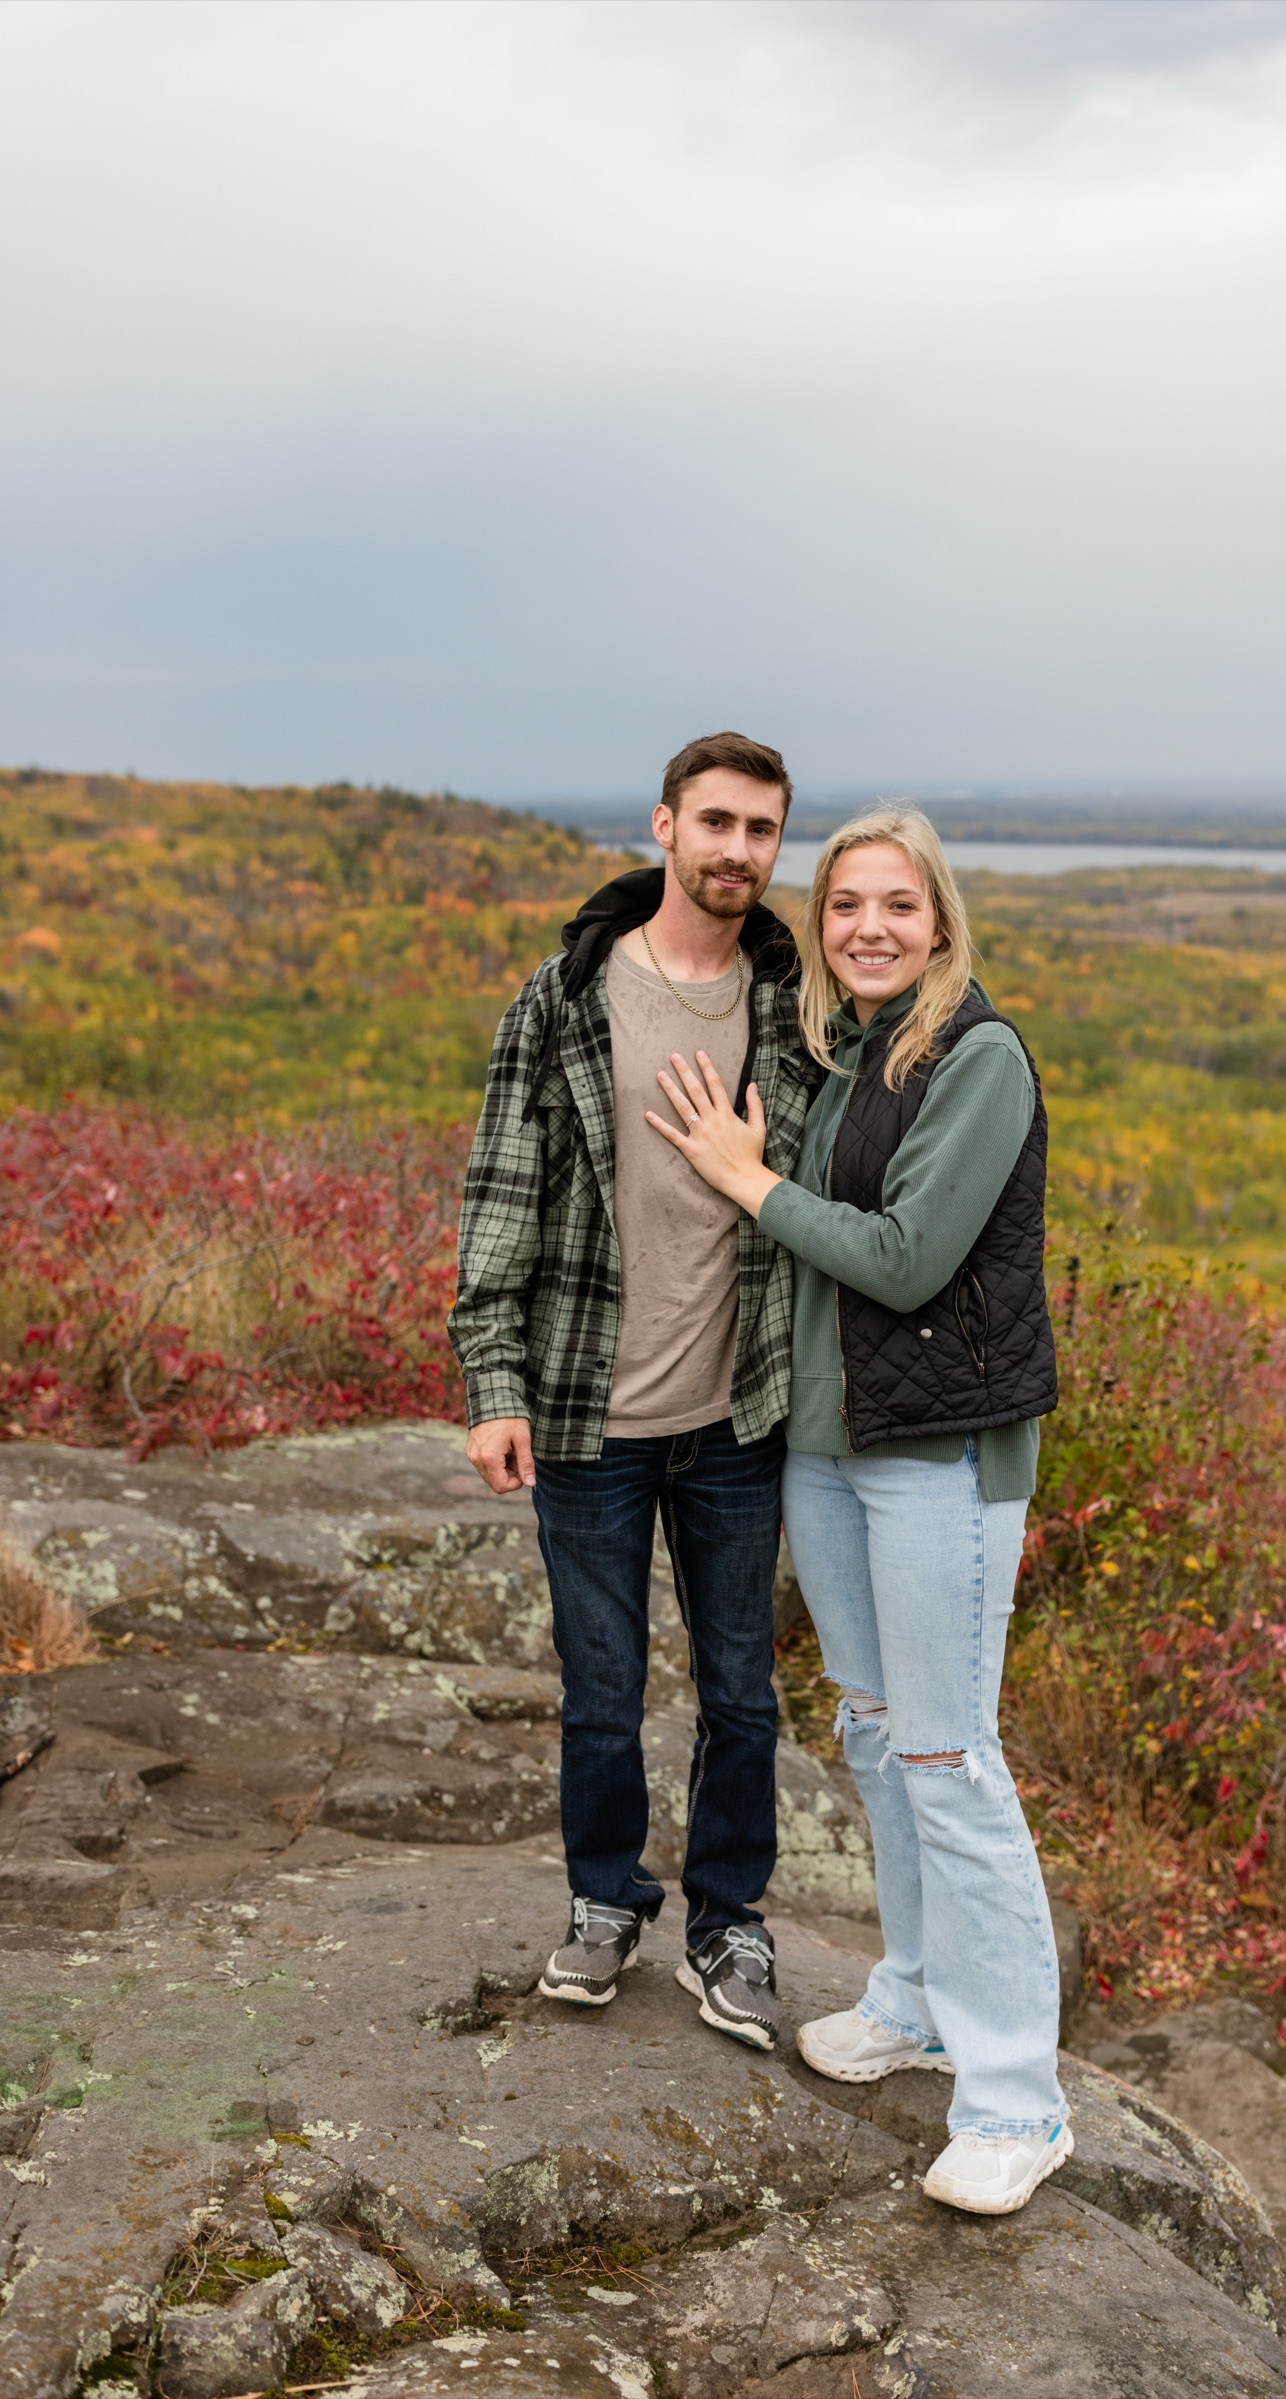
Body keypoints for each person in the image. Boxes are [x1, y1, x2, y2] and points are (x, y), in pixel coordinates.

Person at [645, 804, 1069, 2215]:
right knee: (882, 1739)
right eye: (844, 907)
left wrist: (745, 1181)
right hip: (825, 1452)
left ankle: (1016, 2101)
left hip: (940, 1457)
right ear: (822, 927)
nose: (869, 927)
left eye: (897, 905)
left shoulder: (980, 1060)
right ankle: (915, 2001)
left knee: (950, 1760)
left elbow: (901, 1259)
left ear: (940, 922)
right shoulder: (842, 1059)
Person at [448, 731, 813, 2051]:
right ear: (663, 825)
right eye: (714, 822)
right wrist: (494, 1387)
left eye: (762, 831)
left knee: (741, 1690)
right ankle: (606, 1901)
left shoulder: (796, 1010)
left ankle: (728, 1923)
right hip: (588, 1418)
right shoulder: (564, 998)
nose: (736, 852)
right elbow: (501, 1199)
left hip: (740, 1416)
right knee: (601, 1688)